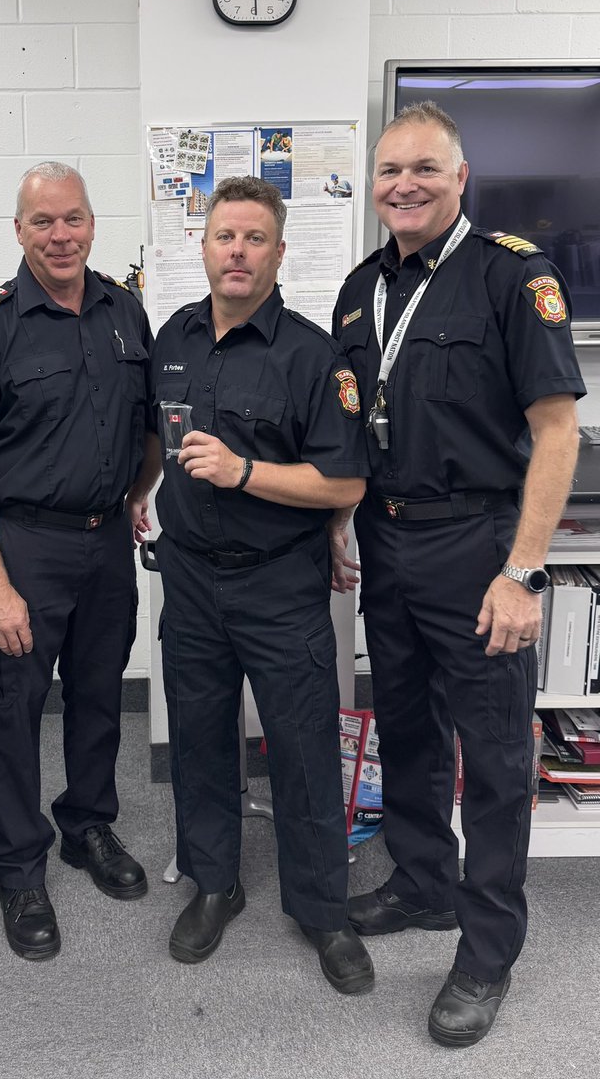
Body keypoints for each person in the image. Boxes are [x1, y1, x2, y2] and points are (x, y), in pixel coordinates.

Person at [331, 101, 584, 1046]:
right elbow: (358, 427)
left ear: (461, 177)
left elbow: (557, 431)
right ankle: (423, 882)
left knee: (497, 758)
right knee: (407, 728)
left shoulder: (513, 275)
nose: (405, 185)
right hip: (387, 540)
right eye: (390, 171)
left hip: (479, 547)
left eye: (425, 169)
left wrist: (524, 571)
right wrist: (341, 524)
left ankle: (487, 951)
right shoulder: (359, 290)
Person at [147, 174, 375, 994]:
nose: (237, 252)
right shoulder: (172, 338)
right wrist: (141, 493)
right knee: (199, 742)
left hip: (279, 586)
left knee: (303, 750)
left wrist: (243, 471)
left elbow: (343, 482)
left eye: (253, 239)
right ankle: (215, 884)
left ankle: (322, 912)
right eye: (224, 237)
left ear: (279, 253)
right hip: (190, 582)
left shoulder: (313, 356)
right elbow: (156, 439)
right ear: (203, 247)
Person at [0, 162, 155, 961]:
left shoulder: (126, 312)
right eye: (43, 222)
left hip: (105, 543)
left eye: (73, 219)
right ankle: (20, 865)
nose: (61, 236)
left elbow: (148, 426)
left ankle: (87, 826)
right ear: (18, 231)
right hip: (23, 545)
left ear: (93, 223)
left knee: (99, 695)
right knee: (15, 708)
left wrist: (137, 493)